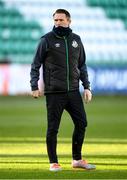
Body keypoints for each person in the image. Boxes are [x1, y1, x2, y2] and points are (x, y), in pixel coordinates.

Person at [30, 9, 96, 171]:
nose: (58, 23)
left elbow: (81, 65)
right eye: (55, 20)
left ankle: (77, 159)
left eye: (61, 20)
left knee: (82, 123)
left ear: (69, 21)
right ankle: (53, 162)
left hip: (73, 91)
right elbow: (35, 64)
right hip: (54, 92)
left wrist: (86, 87)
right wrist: (34, 85)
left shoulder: (76, 40)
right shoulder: (46, 40)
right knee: (53, 128)